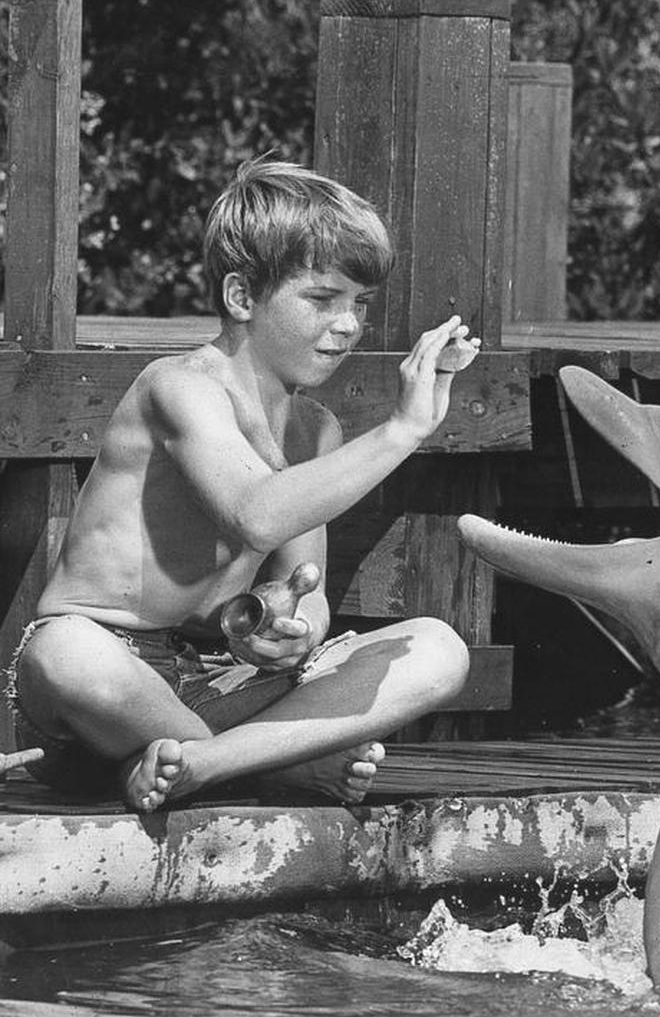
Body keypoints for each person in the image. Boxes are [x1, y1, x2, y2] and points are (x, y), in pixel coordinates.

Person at [6, 158, 479, 813]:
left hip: (221, 686)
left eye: (359, 304)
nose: (347, 325)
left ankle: (203, 765)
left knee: (437, 649)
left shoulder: (315, 429)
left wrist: (292, 629)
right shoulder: (179, 387)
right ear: (241, 297)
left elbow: (304, 589)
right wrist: (403, 429)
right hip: (100, 699)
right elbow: (254, 516)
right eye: (321, 299)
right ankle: (273, 770)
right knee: (64, 649)